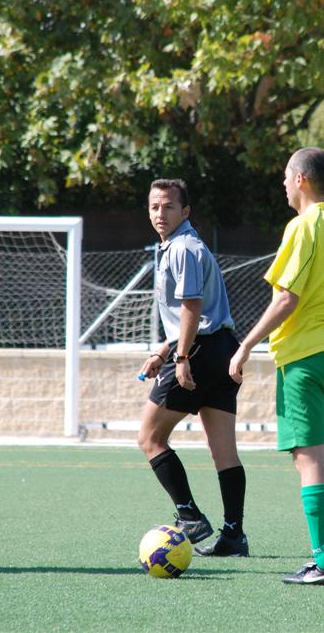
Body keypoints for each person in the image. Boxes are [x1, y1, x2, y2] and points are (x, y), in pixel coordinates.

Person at [229, 147, 324, 586]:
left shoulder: (304, 226)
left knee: (308, 459)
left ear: (301, 180)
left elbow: (286, 298)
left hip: (306, 357)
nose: (282, 184)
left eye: (285, 176)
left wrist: (245, 346)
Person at [136, 178, 250, 557]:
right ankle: (234, 536)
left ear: (185, 211)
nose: (160, 213)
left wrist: (181, 357)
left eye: (168, 206)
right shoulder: (185, 244)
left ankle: (189, 515)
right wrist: (164, 352)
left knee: (150, 438)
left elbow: (192, 307)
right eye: (154, 206)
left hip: (199, 352)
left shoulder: (182, 247)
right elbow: (197, 316)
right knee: (223, 451)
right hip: (222, 349)